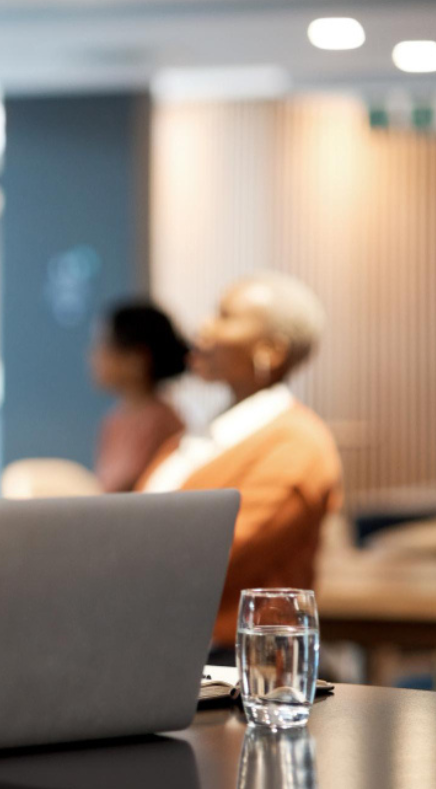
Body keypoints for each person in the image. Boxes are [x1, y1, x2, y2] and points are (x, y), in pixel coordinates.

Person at [137, 273, 342, 659]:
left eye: (225, 316)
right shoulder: (202, 433)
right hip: (165, 644)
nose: (203, 328)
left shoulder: (297, 445)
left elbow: (217, 556)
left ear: (271, 352)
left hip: (241, 664)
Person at [91, 301, 188, 493]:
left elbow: (128, 490)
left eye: (106, 345)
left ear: (138, 358)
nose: (95, 355)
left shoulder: (160, 421)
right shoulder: (115, 419)